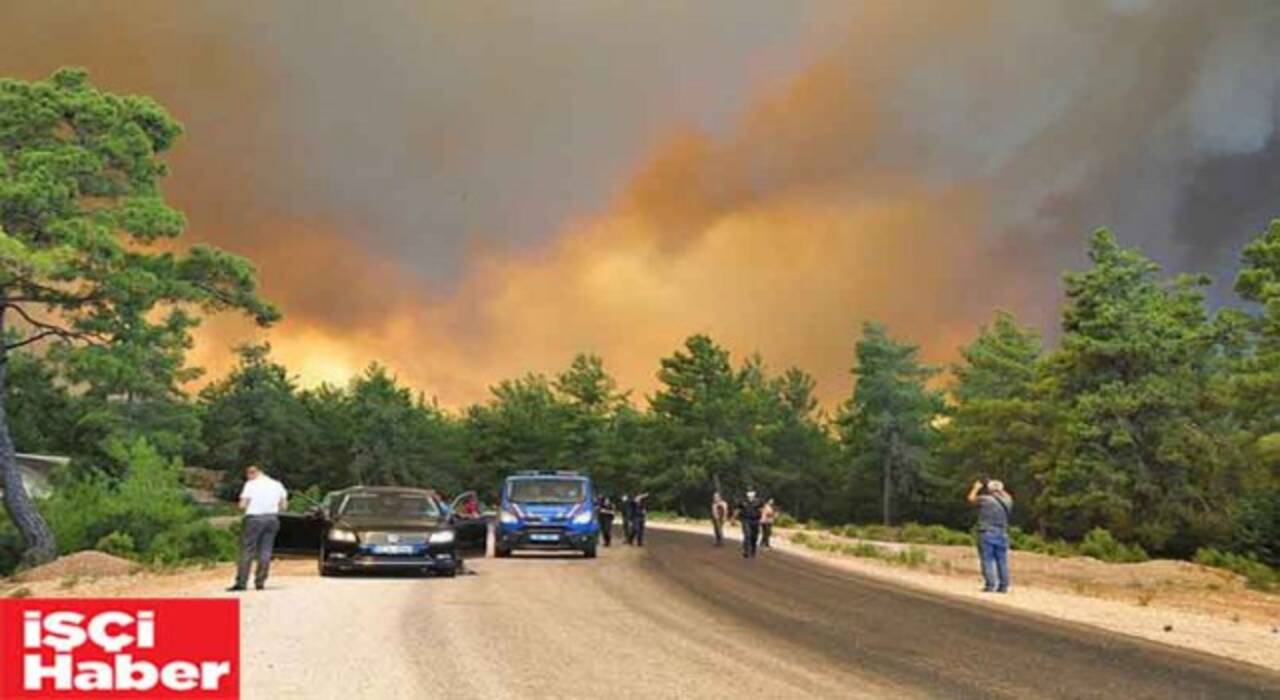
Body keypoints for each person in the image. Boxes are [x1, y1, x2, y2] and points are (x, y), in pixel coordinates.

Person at [229, 465, 288, 592]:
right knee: (266, 551)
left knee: (247, 550)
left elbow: (242, 505)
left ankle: (242, 582)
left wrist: (244, 505)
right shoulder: (278, 485)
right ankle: (260, 582)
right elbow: (284, 506)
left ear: (253, 473)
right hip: (272, 519)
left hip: (254, 519)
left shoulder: (251, 484)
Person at [967, 478, 1013, 593]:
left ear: (989, 489)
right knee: (1002, 560)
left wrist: (976, 488)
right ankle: (1003, 586)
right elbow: (1004, 493)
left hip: (986, 532)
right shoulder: (1008, 500)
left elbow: (971, 499)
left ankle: (990, 585)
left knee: (987, 560)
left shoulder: (986, 499)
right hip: (1002, 533)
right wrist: (997, 487)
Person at [735, 488, 765, 558]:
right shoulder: (743, 501)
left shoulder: (758, 501)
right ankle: (746, 551)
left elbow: (763, 509)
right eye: (749, 492)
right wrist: (733, 518)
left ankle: (753, 550)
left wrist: (763, 518)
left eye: (751, 492)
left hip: (755, 520)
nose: (750, 493)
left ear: (754, 493)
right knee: (747, 535)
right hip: (746, 520)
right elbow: (738, 509)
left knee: (754, 537)